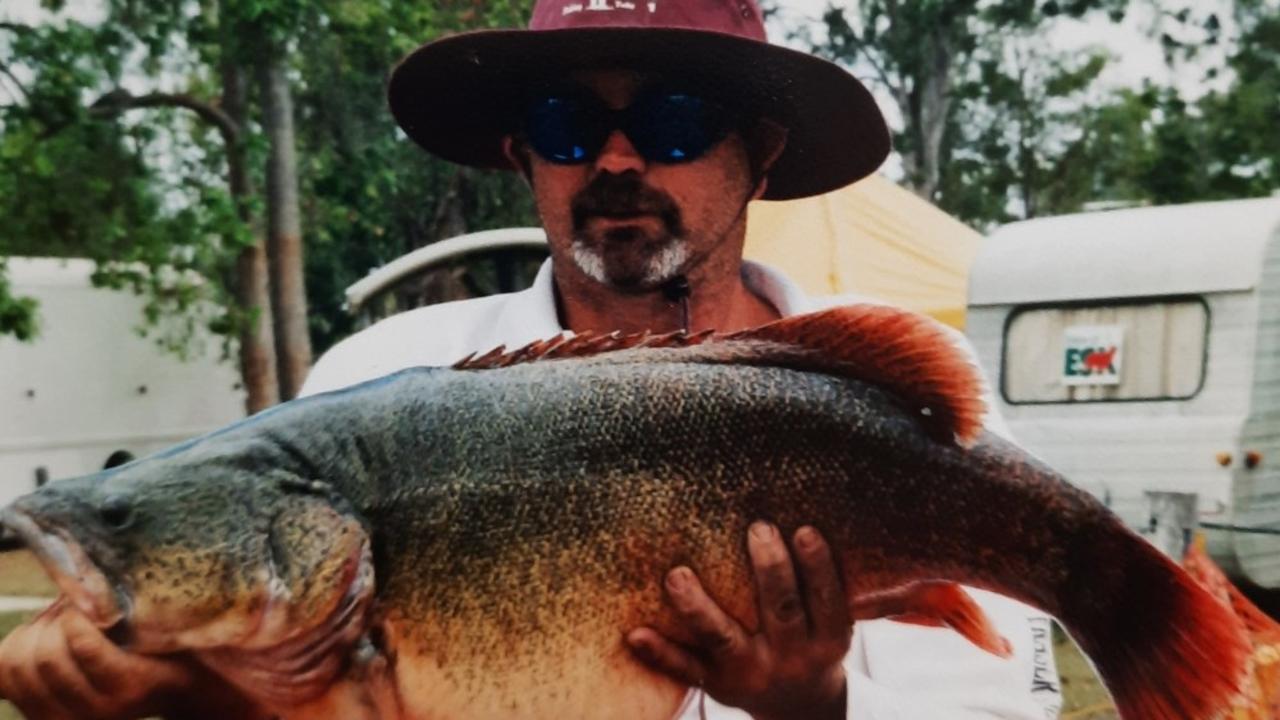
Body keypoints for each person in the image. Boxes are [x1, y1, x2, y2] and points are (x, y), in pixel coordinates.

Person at [0, 1, 1062, 718]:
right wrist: (152, 677)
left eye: (674, 119)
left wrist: (820, 709)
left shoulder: (887, 413)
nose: (613, 157)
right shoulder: (373, 381)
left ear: (763, 154)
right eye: (564, 124)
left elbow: (1002, 703)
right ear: (521, 158)